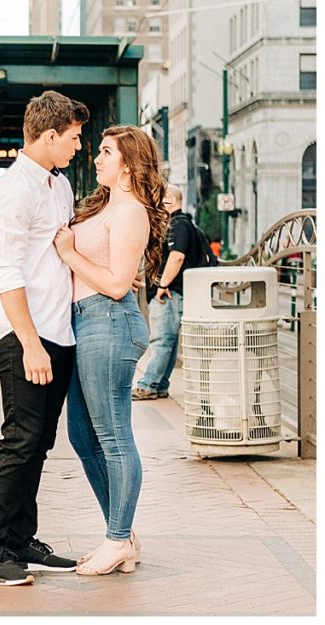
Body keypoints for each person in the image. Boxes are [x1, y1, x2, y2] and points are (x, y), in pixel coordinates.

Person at [0, 90, 90, 587]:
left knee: (39, 443)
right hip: (26, 337)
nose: (79, 146)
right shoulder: (12, 192)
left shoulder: (57, 187)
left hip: (56, 333)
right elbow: (6, 275)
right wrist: (31, 342)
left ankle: (20, 540)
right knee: (18, 441)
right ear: (48, 135)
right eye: (74, 137)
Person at [53, 125, 168, 576]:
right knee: (83, 436)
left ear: (128, 162)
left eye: (105, 152)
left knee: (115, 437)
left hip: (108, 322)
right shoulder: (107, 206)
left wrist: (69, 253)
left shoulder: (131, 211)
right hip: (89, 321)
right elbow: (115, 270)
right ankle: (122, 532)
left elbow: (119, 284)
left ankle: (117, 539)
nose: (96, 158)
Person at [132, 183, 196, 400]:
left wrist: (162, 285)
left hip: (169, 293)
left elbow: (177, 256)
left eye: (159, 198)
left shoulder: (177, 225)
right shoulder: (183, 224)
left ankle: (147, 384)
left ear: (169, 200)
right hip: (173, 291)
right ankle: (160, 384)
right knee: (167, 341)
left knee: (161, 340)